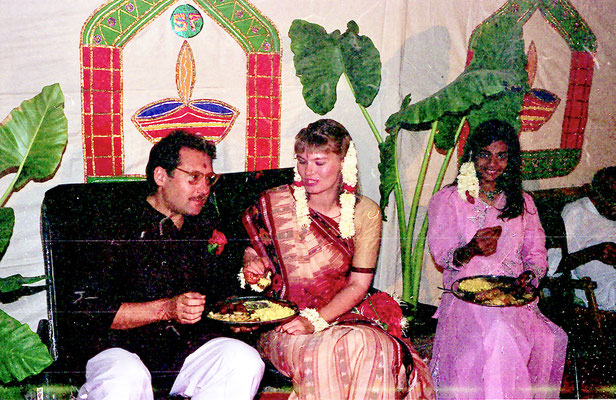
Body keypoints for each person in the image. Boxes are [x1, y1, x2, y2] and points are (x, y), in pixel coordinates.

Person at [240, 119, 435, 400]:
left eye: (320, 163)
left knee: (377, 347)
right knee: (325, 353)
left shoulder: (365, 212)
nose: (309, 172)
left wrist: (316, 321)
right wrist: (251, 262)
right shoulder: (275, 203)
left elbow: (358, 284)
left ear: (344, 161)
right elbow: (255, 248)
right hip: (285, 321)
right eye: (303, 161)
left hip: (345, 311)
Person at [77, 130, 265, 400]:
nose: (204, 189)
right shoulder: (112, 225)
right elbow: (89, 311)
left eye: (209, 179)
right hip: (119, 352)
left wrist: (236, 318)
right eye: (194, 178)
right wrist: (166, 309)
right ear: (161, 176)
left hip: (183, 352)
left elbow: (219, 296)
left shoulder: (204, 226)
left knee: (243, 359)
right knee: (128, 377)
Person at [426, 119, 568, 399]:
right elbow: (442, 256)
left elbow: (536, 254)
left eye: (501, 155)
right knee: (501, 337)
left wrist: (531, 276)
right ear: (471, 157)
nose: (492, 163)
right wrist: (472, 249)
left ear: (511, 160)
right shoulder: (450, 199)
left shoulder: (522, 201)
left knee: (553, 338)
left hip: (513, 298)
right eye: (484, 154)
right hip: (468, 298)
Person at [558, 166, 616, 311]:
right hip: (601, 290)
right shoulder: (576, 213)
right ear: (597, 196)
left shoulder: (610, 209)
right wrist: (594, 252)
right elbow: (554, 266)